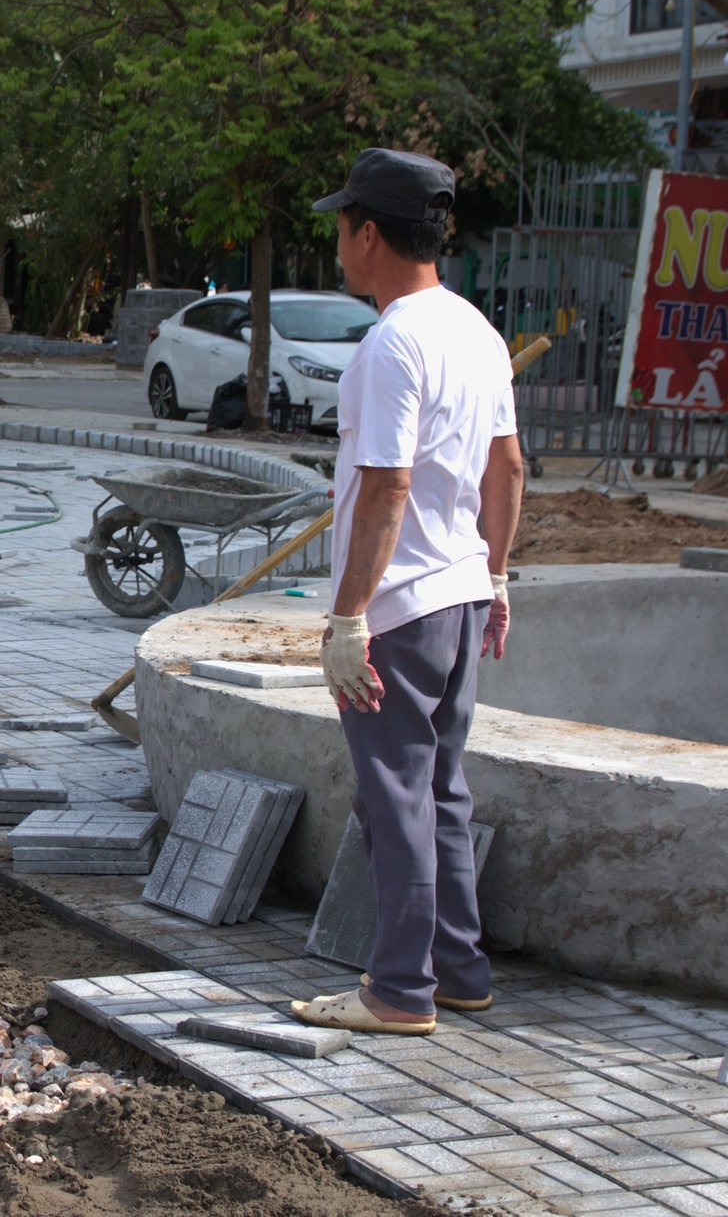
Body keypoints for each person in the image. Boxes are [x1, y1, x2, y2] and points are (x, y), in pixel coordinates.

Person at [290, 148, 526, 1036]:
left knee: (395, 795)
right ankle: (460, 970)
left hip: (405, 604)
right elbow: (507, 469)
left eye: (344, 225)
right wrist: (495, 571)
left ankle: (397, 989)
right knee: (442, 789)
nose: (339, 241)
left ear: (371, 235)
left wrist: (349, 615)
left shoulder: (393, 343)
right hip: (461, 593)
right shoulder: (475, 329)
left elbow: (386, 488)